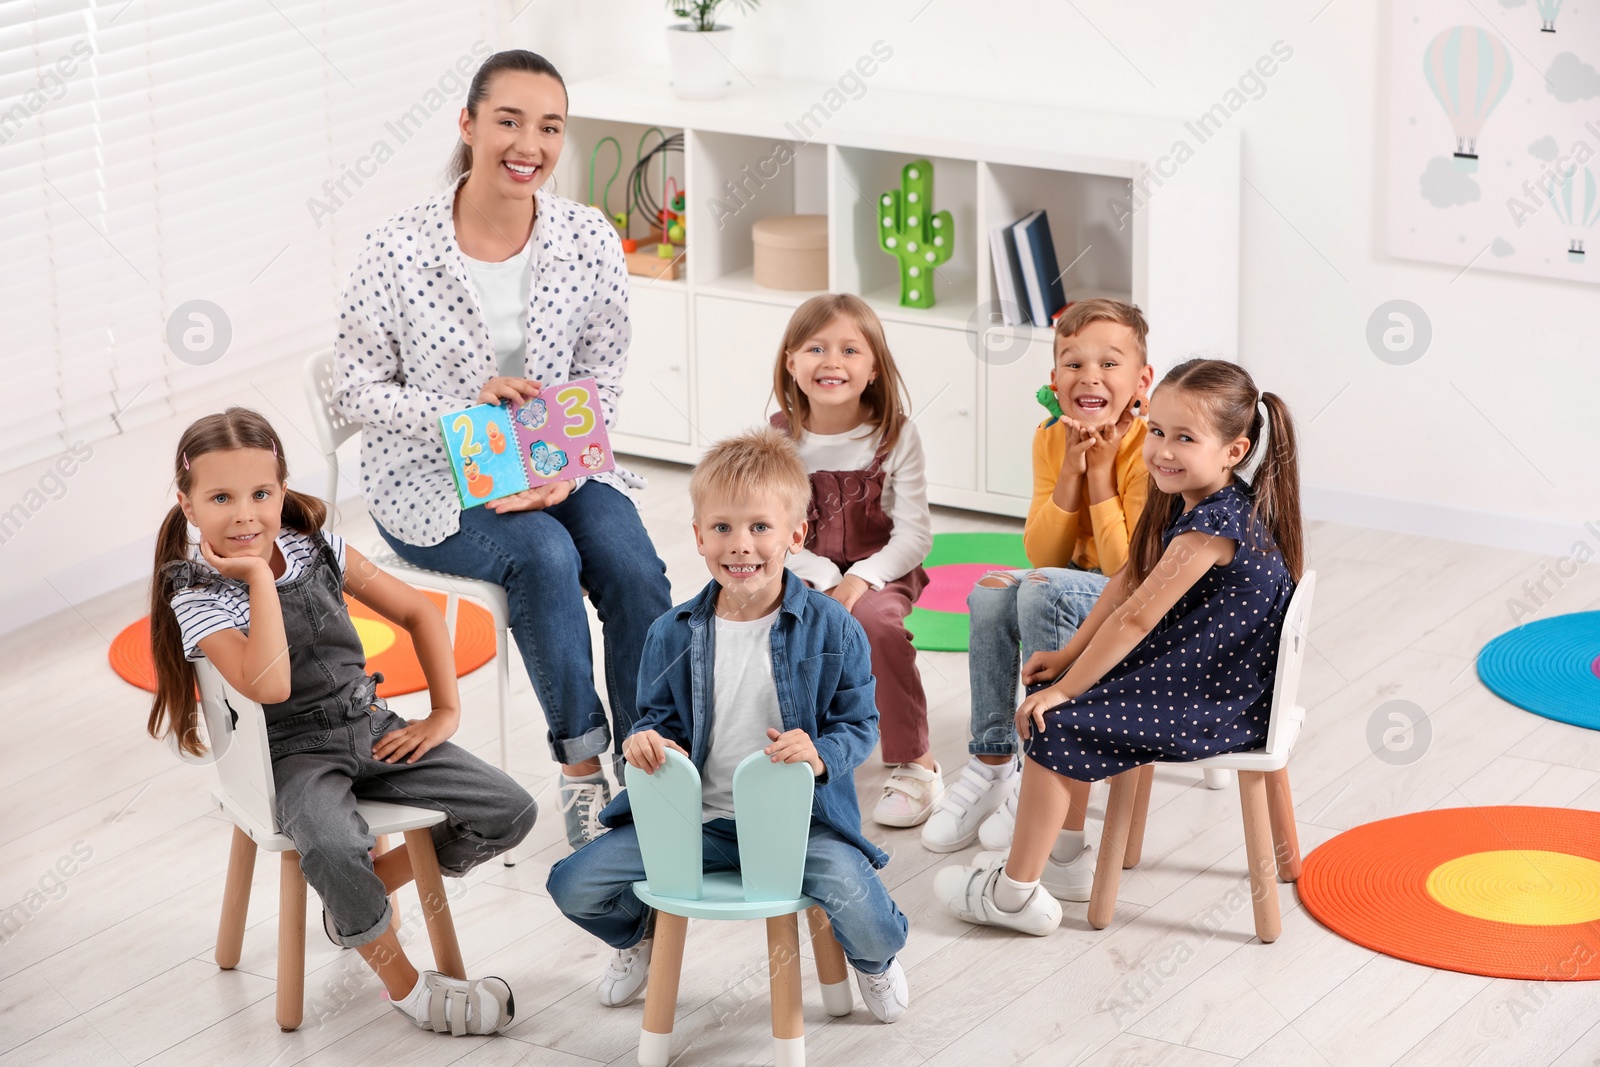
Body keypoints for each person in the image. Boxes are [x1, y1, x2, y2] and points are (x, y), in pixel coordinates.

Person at [331, 48, 671, 850]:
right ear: (469, 125)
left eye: (549, 127)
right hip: (431, 479)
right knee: (544, 558)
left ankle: (655, 758)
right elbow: (353, 389)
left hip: (554, 457)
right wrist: (457, 410)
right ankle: (584, 771)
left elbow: (602, 366)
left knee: (632, 565)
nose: (530, 144)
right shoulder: (397, 247)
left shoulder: (587, 237)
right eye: (509, 121)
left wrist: (566, 466)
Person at [147, 408, 534, 1033]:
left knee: (511, 809)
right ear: (189, 506)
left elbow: (420, 613)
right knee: (330, 844)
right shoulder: (195, 593)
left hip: (369, 726)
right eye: (221, 497)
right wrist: (254, 578)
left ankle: (354, 895)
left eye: (261, 494)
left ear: (280, 491)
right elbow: (268, 684)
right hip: (290, 757)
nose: (246, 514)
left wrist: (445, 710)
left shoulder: (318, 548)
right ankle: (409, 988)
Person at [545, 427, 913, 1022]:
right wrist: (647, 741)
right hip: (695, 823)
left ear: (796, 535)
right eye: (722, 528)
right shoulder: (671, 631)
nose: (741, 545)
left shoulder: (831, 626)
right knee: (574, 884)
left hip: (800, 827)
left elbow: (860, 723)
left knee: (866, 916)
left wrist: (819, 754)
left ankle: (875, 963)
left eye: (760, 527)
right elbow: (656, 720)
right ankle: (636, 936)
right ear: (698, 536)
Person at [935, 359, 1302, 934]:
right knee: (1051, 694)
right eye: (1156, 431)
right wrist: (1068, 659)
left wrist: (1066, 688)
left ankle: (1013, 895)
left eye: (1185, 438)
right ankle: (1060, 858)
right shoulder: (1203, 500)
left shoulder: (1212, 527)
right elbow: (1127, 579)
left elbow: (1134, 621)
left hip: (1218, 704)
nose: (1162, 450)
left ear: (1234, 450)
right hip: (1210, 678)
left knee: (1054, 718)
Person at [922, 299, 1154, 903]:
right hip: (1065, 584)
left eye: (1110, 362)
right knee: (994, 590)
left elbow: (1121, 567)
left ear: (1142, 382)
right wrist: (1073, 477)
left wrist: (1102, 478)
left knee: (1042, 588)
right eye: (1072, 363)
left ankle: (1041, 766)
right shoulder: (1052, 437)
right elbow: (1040, 548)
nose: (1090, 377)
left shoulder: (1150, 449)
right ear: (1054, 380)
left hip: (1129, 600)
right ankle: (994, 761)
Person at [768, 293, 940, 828]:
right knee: (777, 623)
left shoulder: (896, 437)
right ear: (791, 362)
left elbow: (915, 534)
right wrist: (822, 576)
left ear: (872, 370)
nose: (832, 362)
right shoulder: (779, 438)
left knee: (875, 626)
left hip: (883, 566)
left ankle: (916, 761)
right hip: (803, 567)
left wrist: (861, 579)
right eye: (816, 348)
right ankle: (795, 749)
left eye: (850, 350)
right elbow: (776, 531)